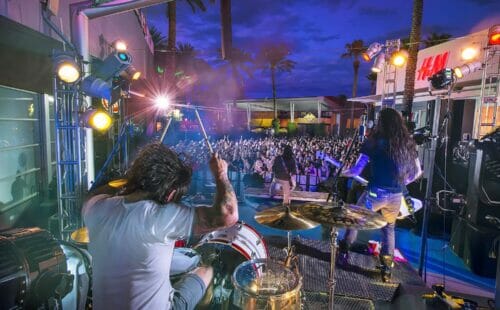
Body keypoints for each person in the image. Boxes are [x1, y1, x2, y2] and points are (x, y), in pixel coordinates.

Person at [83, 143, 238, 309]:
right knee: (206, 271)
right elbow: (228, 214)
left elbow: (97, 194)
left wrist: (131, 181)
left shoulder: (94, 207)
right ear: (171, 193)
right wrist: (221, 174)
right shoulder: (158, 217)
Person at [338, 108, 422, 282]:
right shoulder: (407, 142)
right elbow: (417, 173)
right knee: (389, 229)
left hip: (375, 194)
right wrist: (400, 183)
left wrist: (342, 172)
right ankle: (386, 270)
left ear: (381, 123)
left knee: (355, 219)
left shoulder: (373, 141)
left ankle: (343, 253)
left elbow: (356, 170)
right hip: (396, 196)